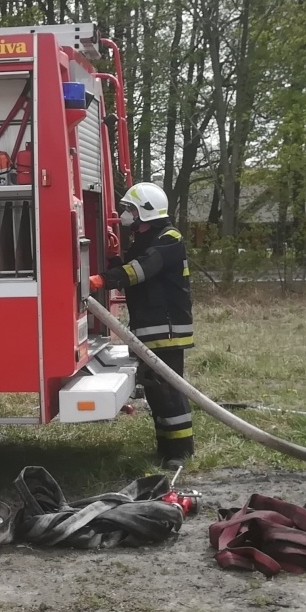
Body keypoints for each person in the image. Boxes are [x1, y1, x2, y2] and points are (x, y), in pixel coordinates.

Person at [90, 181, 195, 468]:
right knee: (155, 391)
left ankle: (180, 452)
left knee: (168, 390)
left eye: (129, 210)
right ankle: (165, 447)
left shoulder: (169, 238)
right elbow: (132, 263)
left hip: (167, 328)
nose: (125, 216)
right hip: (149, 327)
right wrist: (112, 258)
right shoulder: (147, 240)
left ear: (145, 212)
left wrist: (104, 279)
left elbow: (141, 270)